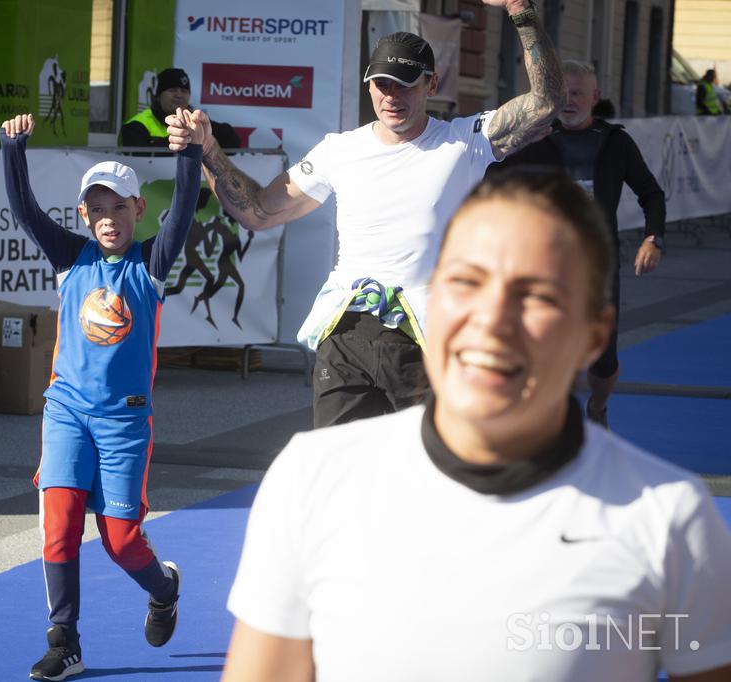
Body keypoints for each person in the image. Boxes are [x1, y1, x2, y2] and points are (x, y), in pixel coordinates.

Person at [222, 168, 731, 681]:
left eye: (537, 296)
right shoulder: (315, 479)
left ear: (594, 335)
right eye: (466, 282)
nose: (491, 320)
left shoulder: (667, 518)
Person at [168, 0, 566, 428]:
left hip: (427, 337)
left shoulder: (463, 141)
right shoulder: (340, 150)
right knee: (342, 476)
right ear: (368, 86)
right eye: (382, 84)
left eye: (405, 84)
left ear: (431, 85)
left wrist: (520, 11)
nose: (391, 96)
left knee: (422, 481)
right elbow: (259, 212)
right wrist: (208, 151)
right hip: (347, 334)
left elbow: (545, 101)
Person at [0, 110, 206, 681]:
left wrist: (187, 153)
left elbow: (184, 210)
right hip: (67, 412)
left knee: (120, 541)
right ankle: (64, 640)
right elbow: (25, 211)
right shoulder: (71, 256)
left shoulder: (150, 263)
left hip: (123, 423)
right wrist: (12, 149)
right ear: (83, 214)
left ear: (139, 210)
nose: (108, 218)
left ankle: (163, 589)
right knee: (59, 524)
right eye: (97, 208)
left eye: (120, 206)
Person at [491, 60, 665, 428]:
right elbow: (489, 183)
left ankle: (598, 407)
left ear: (595, 97)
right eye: (563, 93)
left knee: (603, 360)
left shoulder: (615, 142)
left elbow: (651, 194)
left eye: (578, 94)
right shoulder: (534, 138)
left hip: (597, 264)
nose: (569, 101)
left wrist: (653, 238)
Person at [120, 67, 241, 150]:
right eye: (172, 90)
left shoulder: (195, 119)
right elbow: (137, 160)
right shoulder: (135, 126)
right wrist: (181, 139)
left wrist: (202, 132)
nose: (179, 95)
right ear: (158, 96)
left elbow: (232, 141)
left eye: (184, 91)